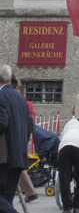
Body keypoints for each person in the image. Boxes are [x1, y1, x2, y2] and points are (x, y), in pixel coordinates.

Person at [0, 65, 33, 213]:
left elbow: (2, 122)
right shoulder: (20, 97)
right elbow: (30, 125)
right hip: (18, 155)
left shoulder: (1, 96)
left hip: (4, 157)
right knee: (6, 199)